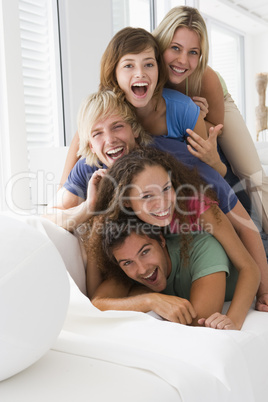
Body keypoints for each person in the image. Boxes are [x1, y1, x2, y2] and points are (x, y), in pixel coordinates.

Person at [87, 147, 268, 313]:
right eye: (147, 196)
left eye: (166, 188)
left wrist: (258, 297)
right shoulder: (130, 232)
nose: (162, 203)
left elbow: (248, 265)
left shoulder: (195, 207)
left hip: (250, 254)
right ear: (126, 201)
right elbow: (96, 298)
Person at [153, 5, 268, 233]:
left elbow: (217, 130)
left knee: (252, 174)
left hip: (214, 108)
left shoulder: (206, 77)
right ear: (161, 43)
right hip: (188, 114)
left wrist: (198, 116)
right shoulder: (146, 67)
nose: (183, 61)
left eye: (193, 52)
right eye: (175, 48)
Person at [91, 215, 247, 330]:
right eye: (127, 262)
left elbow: (198, 324)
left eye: (145, 252)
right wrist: (150, 300)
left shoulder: (202, 249)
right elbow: (97, 303)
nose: (142, 269)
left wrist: (135, 294)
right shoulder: (129, 271)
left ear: (161, 239)